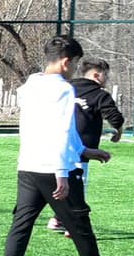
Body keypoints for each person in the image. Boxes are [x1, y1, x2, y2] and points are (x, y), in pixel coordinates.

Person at [0, 34, 132, 256]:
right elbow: (59, 130)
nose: (74, 70)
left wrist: (83, 151)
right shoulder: (63, 89)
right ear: (67, 62)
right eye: (75, 63)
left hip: (28, 167)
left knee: (21, 225)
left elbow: (50, 126)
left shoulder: (32, 84)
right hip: (57, 169)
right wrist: (62, 173)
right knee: (80, 227)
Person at [47, 57, 126, 236]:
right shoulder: (99, 94)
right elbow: (116, 118)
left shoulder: (65, 88)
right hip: (81, 147)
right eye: (105, 75)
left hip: (55, 143)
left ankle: (58, 218)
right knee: (77, 183)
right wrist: (119, 132)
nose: (106, 79)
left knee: (57, 181)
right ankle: (71, 223)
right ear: (97, 75)